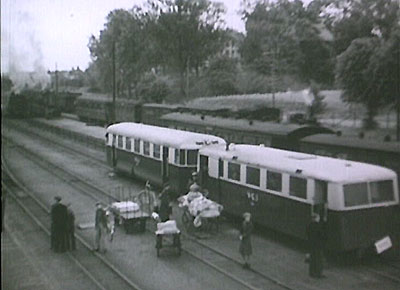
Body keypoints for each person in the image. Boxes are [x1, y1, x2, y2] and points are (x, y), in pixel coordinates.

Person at [306, 213, 326, 278]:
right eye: (318, 218)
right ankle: (318, 274)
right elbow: (321, 235)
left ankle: (311, 272)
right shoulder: (318, 226)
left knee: (313, 259)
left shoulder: (309, 225)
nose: (319, 219)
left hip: (311, 244)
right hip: (318, 245)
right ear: (316, 218)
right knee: (319, 259)